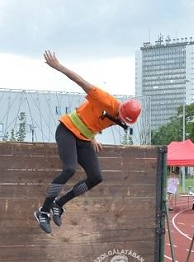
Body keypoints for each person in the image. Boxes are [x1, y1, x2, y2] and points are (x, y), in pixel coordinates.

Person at [34, 50, 142, 233]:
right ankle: (43, 211)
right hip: (67, 130)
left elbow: (93, 118)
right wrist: (58, 66)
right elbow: (81, 81)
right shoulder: (105, 100)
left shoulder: (120, 120)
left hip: (84, 138)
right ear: (121, 108)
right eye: (122, 117)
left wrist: (93, 137)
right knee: (69, 169)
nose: (121, 121)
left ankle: (59, 205)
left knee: (96, 177)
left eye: (125, 121)